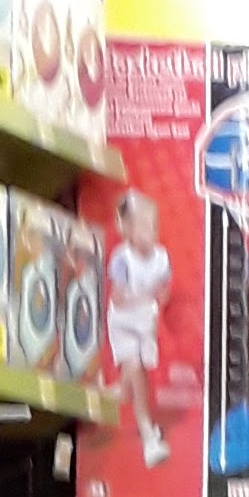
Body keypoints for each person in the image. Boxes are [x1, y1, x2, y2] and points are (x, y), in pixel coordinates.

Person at [106, 186, 174, 467]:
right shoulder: (122, 259)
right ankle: (148, 437)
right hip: (123, 323)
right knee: (136, 370)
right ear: (128, 230)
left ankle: (119, 392)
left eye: (153, 226)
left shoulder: (161, 257)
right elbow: (118, 299)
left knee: (137, 373)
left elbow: (164, 290)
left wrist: (159, 298)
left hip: (146, 323)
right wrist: (146, 298)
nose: (150, 232)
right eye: (143, 227)